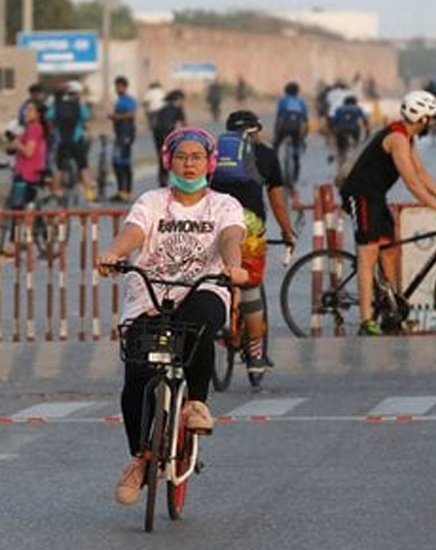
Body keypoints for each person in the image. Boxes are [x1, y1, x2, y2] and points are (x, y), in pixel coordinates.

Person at [95, 127, 248, 506]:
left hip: (204, 287)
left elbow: (231, 236)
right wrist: (113, 252)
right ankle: (139, 460)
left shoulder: (223, 204)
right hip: (151, 291)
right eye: (181, 157)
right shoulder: (153, 200)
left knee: (198, 328)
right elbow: (134, 231)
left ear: (210, 163)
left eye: (197, 157)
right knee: (137, 373)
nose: (189, 164)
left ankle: (196, 402)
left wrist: (233, 267)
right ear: (169, 161)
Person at [338, 90, 436, 336]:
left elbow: (421, 173)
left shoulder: (408, 138)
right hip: (360, 195)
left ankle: (392, 310)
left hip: (377, 197)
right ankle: (366, 320)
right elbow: (412, 183)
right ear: (422, 119)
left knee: (390, 251)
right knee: (368, 256)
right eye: (432, 118)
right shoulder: (397, 138)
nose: (433, 123)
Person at [210, 110, 298, 377]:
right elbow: (277, 202)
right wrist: (287, 232)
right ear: (255, 131)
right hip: (250, 228)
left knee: (212, 279)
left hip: (215, 225)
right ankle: (256, 354)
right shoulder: (266, 155)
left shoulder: (213, 155)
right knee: (250, 289)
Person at [1, 100, 48, 256]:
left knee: (16, 210)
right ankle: (40, 241)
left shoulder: (35, 129)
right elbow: (15, 148)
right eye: (26, 110)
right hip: (24, 172)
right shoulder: (29, 129)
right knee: (25, 209)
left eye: (30, 110)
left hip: (28, 174)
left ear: (38, 114)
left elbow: (28, 151)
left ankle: (14, 243)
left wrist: (16, 143)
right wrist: (13, 143)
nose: (26, 113)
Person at [47, 81, 94, 202]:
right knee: (83, 166)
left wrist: (54, 130)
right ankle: (89, 194)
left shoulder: (56, 106)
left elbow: (49, 119)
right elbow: (87, 121)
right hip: (77, 140)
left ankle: (57, 191)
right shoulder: (79, 105)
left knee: (59, 167)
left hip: (62, 140)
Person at [273, 81, 309, 188]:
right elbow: (305, 120)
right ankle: (295, 176)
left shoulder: (282, 100)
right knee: (296, 151)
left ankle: (274, 171)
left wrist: (276, 134)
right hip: (296, 130)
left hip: (283, 129)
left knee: (275, 148)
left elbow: (279, 117)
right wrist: (303, 137)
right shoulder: (301, 102)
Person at [109, 75, 138, 201]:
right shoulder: (118, 100)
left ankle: (128, 191)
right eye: (116, 86)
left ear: (125, 87)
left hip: (126, 134)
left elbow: (132, 114)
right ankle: (120, 190)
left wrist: (117, 117)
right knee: (116, 163)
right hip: (118, 134)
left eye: (120, 86)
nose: (117, 88)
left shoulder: (129, 100)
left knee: (125, 163)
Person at [151, 90, 186, 187]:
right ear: (178, 99)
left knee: (162, 157)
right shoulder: (178, 108)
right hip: (168, 134)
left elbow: (154, 123)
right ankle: (178, 181)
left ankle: (162, 180)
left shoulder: (163, 108)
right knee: (177, 157)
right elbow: (184, 124)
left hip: (158, 134)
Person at [329, 94, 370, 170]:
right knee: (356, 147)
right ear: (355, 102)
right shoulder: (357, 108)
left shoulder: (339, 109)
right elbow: (365, 120)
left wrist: (334, 133)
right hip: (354, 130)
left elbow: (333, 122)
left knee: (341, 150)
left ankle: (340, 168)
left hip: (341, 130)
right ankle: (355, 162)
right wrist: (367, 132)